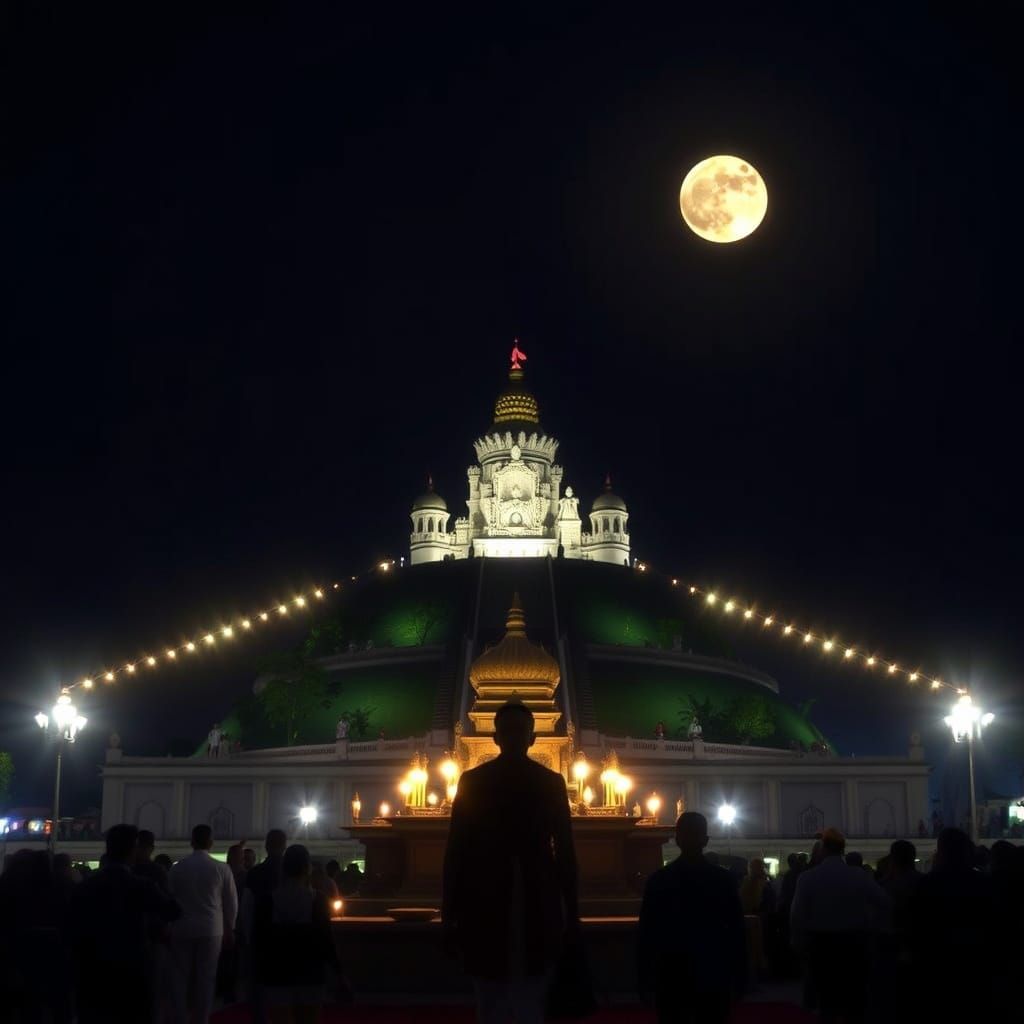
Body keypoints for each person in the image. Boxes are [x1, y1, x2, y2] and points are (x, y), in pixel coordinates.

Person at [443, 701, 579, 1024]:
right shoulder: (549, 782)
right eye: (511, 731)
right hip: (513, 897)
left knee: (500, 1000)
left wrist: (448, 913)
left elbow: (456, 852)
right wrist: (573, 914)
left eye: (519, 731)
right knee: (514, 1000)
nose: (516, 737)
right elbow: (566, 853)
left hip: (502, 896)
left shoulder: (475, 782)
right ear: (499, 737)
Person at [638, 812, 746, 1024]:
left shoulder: (659, 880)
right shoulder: (723, 880)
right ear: (705, 840)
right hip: (713, 970)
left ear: (676, 839)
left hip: (671, 972)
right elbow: (736, 931)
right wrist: (740, 975)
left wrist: (644, 978)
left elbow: (647, 933)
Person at [71, 823, 179, 1024]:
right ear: (133, 849)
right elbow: (173, 910)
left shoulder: (87, 885)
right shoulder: (140, 884)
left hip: (95, 965)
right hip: (132, 963)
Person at [790, 827, 890, 1024]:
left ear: (823, 850)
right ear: (842, 850)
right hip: (854, 944)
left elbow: (797, 915)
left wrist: (798, 942)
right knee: (854, 1001)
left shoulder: (808, 878)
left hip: (821, 945)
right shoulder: (858, 876)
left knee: (827, 1002)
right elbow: (885, 903)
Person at [910, 827, 998, 1018]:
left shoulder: (927, 884)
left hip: (938, 965)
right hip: (976, 965)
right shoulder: (983, 882)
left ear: (941, 852)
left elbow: (916, 925)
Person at [251, 844, 342, 1022]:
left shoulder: (268, 900)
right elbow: (326, 939)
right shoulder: (318, 900)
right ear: (307, 868)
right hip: (310, 971)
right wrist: (338, 973)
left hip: (277, 971)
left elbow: (259, 939)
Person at [168, 823, 239, 1024]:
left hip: (182, 927)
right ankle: (201, 1018)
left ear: (192, 841)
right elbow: (231, 902)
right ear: (210, 842)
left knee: (180, 977)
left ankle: (180, 1017)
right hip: (211, 928)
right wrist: (230, 929)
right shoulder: (221, 868)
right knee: (206, 978)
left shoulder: (178, 868)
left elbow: (169, 898)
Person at [242, 829, 289, 1024]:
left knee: (259, 987)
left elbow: (246, 908)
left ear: (267, 846)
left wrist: (247, 936)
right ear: (284, 846)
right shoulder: (292, 873)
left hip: (260, 935)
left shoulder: (255, 873)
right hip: (286, 936)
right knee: (284, 986)